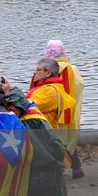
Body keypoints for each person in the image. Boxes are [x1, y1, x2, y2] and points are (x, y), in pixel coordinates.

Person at [4, 89, 70, 196]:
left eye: (11, 108)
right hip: (49, 168)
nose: (9, 112)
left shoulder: (28, 122)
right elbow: (55, 143)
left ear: (18, 106)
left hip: (41, 169)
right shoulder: (36, 116)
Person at [37, 40, 86, 178]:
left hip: (53, 111)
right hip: (70, 109)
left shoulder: (47, 69)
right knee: (69, 139)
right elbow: (79, 86)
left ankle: (59, 168)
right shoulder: (72, 69)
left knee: (54, 140)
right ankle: (76, 168)